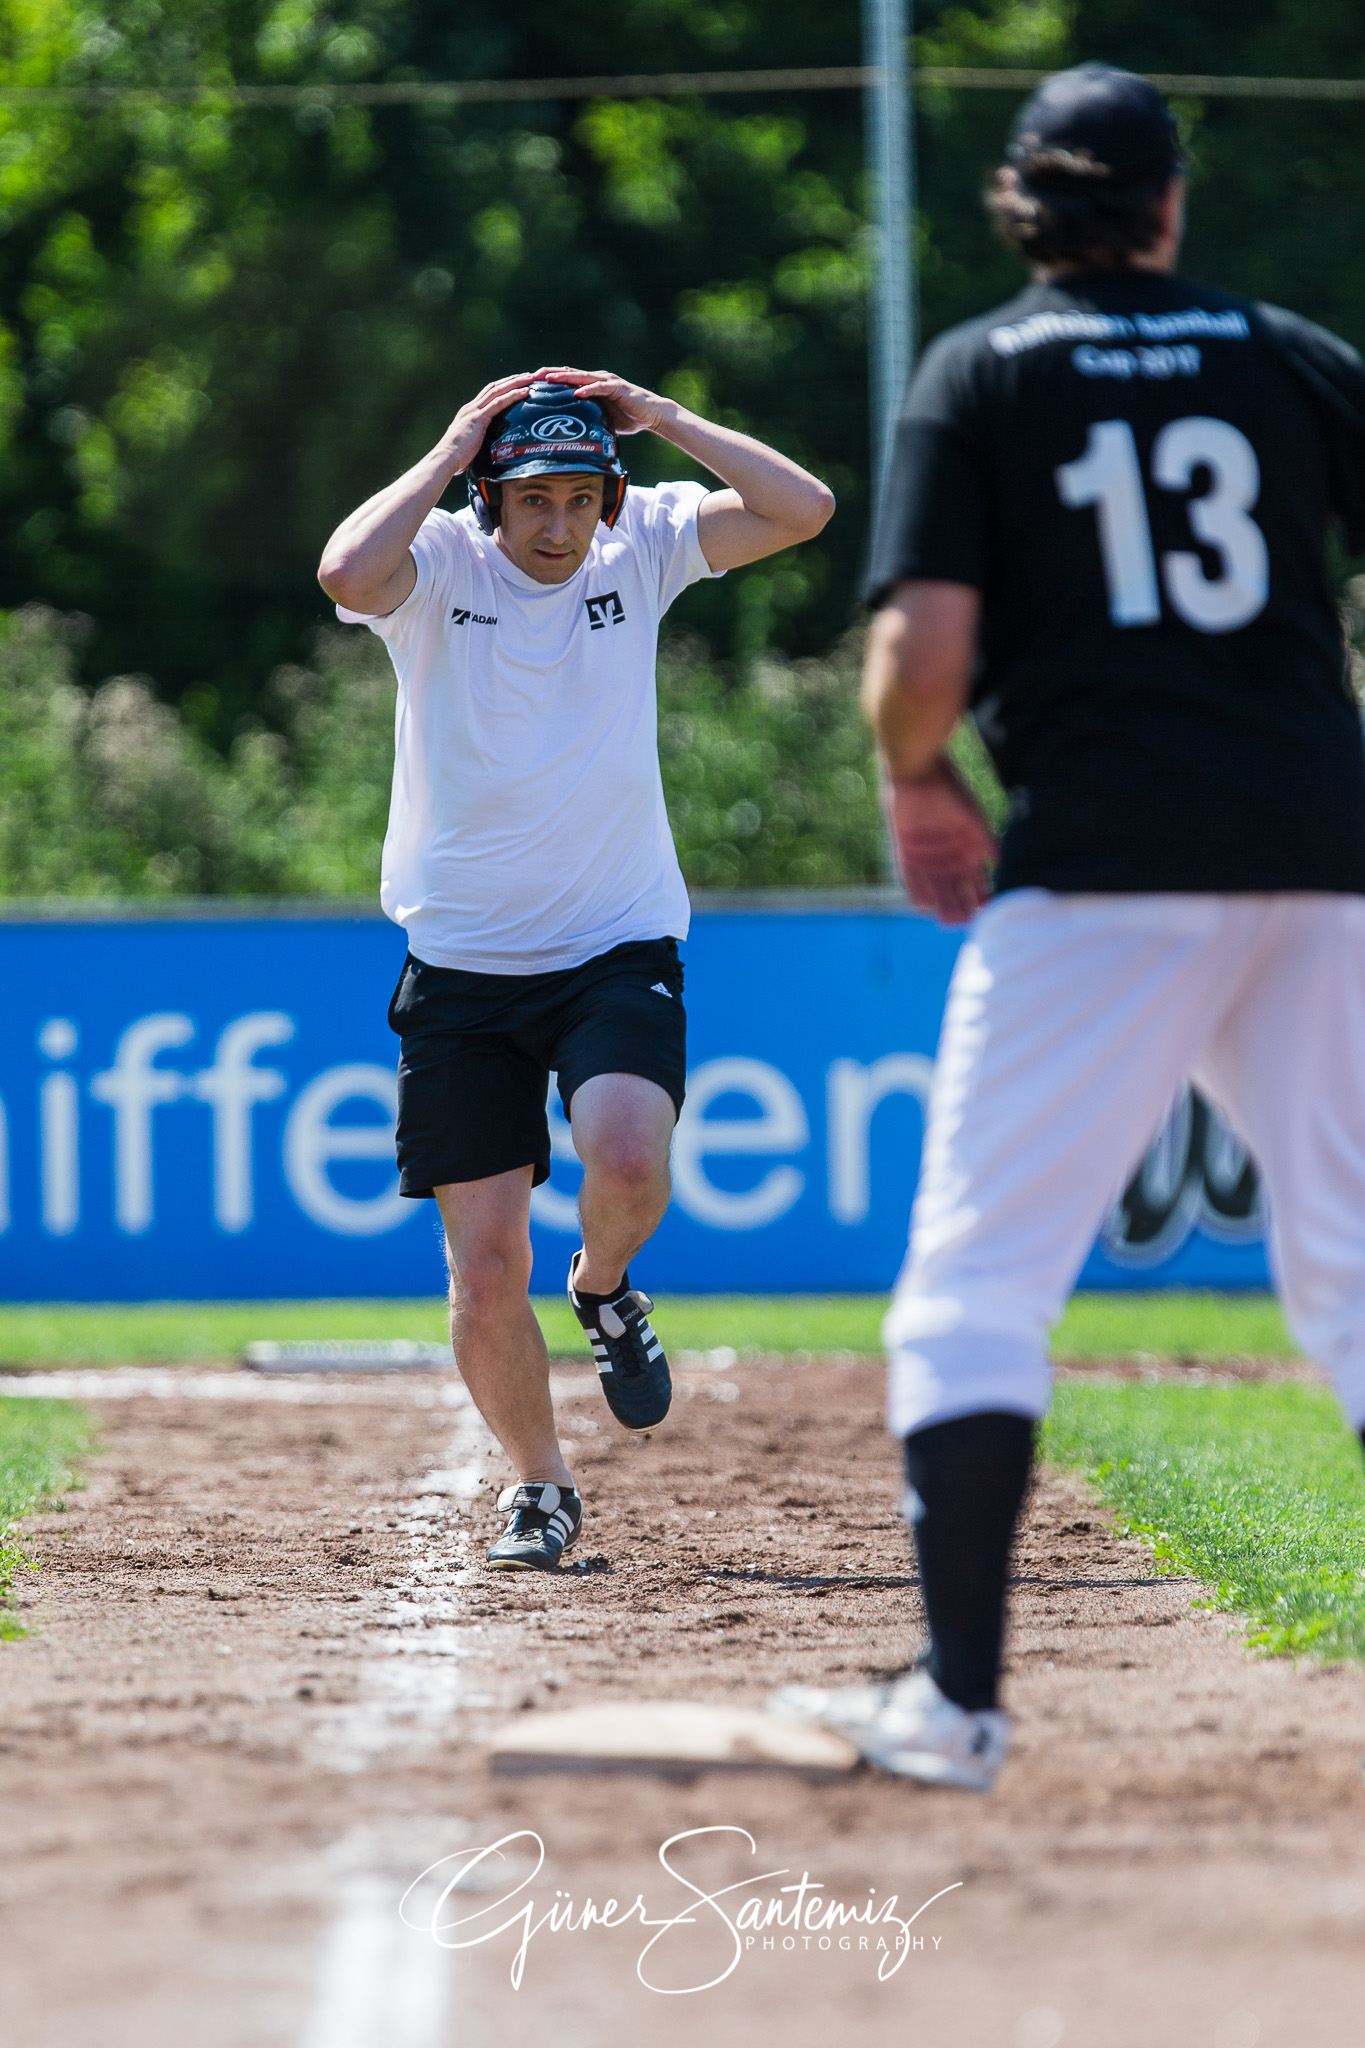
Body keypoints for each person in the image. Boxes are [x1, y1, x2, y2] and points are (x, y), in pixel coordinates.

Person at [772, 63, 1365, 1786]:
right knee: (1349, 1264)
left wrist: (918, 776)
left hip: (1105, 861)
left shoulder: (983, 369)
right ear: (1170, 204)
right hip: (1322, 854)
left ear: (1021, 206)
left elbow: (922, 660)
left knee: (976, 1282)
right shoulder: (1285, 351)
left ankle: (955, 1704)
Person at [318, 369, 833, 1571]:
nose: (557, 527)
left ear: (609, 495)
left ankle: (604, 1286)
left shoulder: (641, 541)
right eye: (533, 500)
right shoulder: (439, 562)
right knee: (485, 1265)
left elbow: (802, 507)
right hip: (458, 965)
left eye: (578, 499)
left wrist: (666, 422)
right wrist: (450, 446)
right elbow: (346, 572)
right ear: (492, 496)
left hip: (615, 942)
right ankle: (540, 1486)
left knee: (626, 1153)